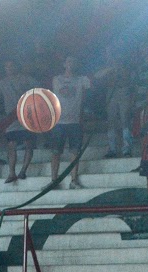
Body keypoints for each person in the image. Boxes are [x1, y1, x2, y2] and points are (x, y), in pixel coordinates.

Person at [0, 60, 39, 183]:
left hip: (27, 117)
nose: (9, 68)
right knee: (11, 145)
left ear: (16, 67)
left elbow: (39, 91)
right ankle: (12, 172)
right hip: (11, 119)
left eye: (11, 66)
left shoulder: (27, 79)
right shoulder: (2, 83)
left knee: (28, 144)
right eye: (7, 66)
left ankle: (23, 170)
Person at [50, 56, 92, 189]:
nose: (71, 64)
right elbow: (64, 92)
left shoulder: (81, 79)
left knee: (75, 152)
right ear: (64, 64)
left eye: (73, 62)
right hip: (59, 121)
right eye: (68, 61)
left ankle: (74, 180)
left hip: (75, 120)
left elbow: (93, 82)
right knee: (56, 152)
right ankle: (54, 180)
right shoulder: (57, 79)